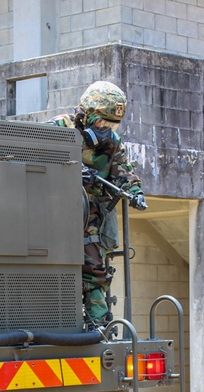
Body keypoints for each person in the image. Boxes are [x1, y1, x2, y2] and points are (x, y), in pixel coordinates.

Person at [49, 81, 147, 329]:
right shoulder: (60, 127)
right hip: (52, 211)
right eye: (101, 122)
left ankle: (98, 324)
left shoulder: (112, 142)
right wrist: (72, 172)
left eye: (111, 124)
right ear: (87, 113)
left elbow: (123, 172)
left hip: (89, 216)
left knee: (96, 269)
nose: (105, 129)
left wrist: (135, 193)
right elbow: (32, 157)